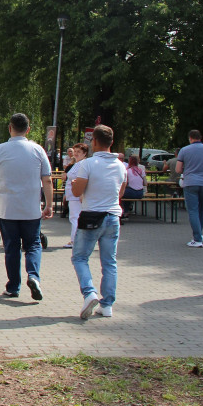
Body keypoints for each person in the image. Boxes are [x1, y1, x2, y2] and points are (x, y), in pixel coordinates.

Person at [0, 113, 53, 301]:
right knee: (33, 244)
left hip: (7, 208)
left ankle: (13, 287)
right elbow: (47, 179)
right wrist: (49, 205)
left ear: (9, 128)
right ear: (28, 129)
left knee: (11, 247)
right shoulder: (38, 150)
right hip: (31, 208)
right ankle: (34, 276)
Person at [71, 125, 127, 320]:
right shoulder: (121, 166)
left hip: (92, 216)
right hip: (113, 217)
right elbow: (121, 191)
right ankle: (107, 304)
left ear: (93, 142)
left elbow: (77, 191)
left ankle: (89, 293)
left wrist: (73, 184)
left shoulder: (88, 164)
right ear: (111, 143)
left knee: (79, 257)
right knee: (109, 262)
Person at [176, 130, 203, 248]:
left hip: (190, 182)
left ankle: (197, 238)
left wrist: (188, 169)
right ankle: (199, 233)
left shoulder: (184, 150)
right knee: (201, 210)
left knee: (193, 210)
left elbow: (178, 170)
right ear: (201, 137)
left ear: (190, 138)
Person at [64, 143, 89, 247]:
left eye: (79, 152)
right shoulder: (76, 164)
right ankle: (77, 239)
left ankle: (75, 240)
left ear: (84, 153)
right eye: (75, 151)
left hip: (76, 194)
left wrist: (81, 194)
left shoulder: (83, 164)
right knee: (74, 217)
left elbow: (82, 180)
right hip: (72, 194)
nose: (76, 154)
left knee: (74, 217)